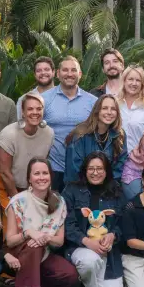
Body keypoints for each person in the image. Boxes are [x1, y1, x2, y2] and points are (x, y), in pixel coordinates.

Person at [3, 158, 80, 287]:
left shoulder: (59, 202)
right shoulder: (18, 201)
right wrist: (29, 233)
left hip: (44, 253)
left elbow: (58, 241)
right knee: (34, 245)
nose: (41, 177)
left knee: (70, 276)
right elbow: (10, 241)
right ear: (29, 179)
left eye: (45, 173)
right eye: (36, 173)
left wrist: (45, 237)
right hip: (18, 253)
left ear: (51, 176)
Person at [61, 152, 126, 287]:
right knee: (90, 261)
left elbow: (123, 222)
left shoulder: (116, 190)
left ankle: (90, 283)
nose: (95, 173)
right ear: (85, 170)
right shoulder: (71, 190)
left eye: (100, 169)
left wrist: (112, 235)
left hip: (106, 251)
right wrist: (87, 242)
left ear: (106, 171)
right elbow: (66, 224)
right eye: (91, 169)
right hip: (80, 247)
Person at [41, 56, 97, 193]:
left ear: (80, 74)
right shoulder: (44, 99)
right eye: (65, 70)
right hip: (53, 168)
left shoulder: (93, 102)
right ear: (58, 74)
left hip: (83, 168)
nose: (69, 74)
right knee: (52, 210)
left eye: (73, 70)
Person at [0, 94, 55, 198]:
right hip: (6, 187)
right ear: (22, 112)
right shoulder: (8, 135)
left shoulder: (49, 133)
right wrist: (18, 201)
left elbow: (43, 162)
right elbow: (4, 173)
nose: (35, 112)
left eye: (39, 109)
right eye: (30, 109)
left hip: (34, 187)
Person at [64, 94, 127, 183]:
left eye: (113, 109)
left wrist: (106, 184)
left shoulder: (120, 135)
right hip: (81, 187)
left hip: (108, 187)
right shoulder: (80, 134)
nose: (109, 112)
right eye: (104, 108)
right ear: (97, 111)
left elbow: (120, 165)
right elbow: (73, 170)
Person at [117, 65, 144, 155]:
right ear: (124, 81)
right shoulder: (114, 104)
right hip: (116, 160)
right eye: (130, 79)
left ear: (142, 84)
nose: (134, 83)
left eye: (138, 80)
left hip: (141, 161)